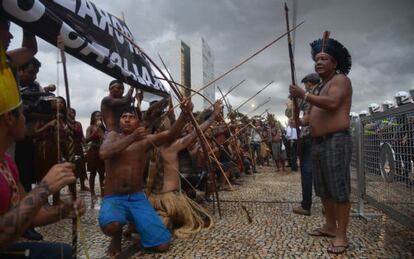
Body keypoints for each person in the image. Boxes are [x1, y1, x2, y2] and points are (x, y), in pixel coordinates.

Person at [0, 23, 86, 257]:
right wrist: (45, 188)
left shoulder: (6, 164)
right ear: (9, 117)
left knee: (62, 252)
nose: (27, 118)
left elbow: (26, 213)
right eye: (23, 112)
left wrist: (63, 210)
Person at [98, 98, 193, 257]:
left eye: (131, 117)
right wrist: (132, 137)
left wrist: (185, 114)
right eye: (124, 117)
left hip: (136, 198)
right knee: (112, 225)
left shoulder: (145, 141)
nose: (127, 119)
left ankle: (136, 222)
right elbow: (104, 153)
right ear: (120, 121)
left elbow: (171, 133)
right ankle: (117, 236)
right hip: (113, 197)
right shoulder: (113, 136)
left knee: (163, 245)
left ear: (138, 122)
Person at [290, 34, 352, 254]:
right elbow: (310, 117)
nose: (318, 62)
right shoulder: (318, 87)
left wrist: (304, 95)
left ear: (334, 62)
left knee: (338, 189)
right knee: (324, 189)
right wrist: (298, 114)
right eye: (316, 59)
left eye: (324, 58)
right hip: (317, 142)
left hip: (336, 140)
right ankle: (329, 225)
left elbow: (333, 103)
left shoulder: (340, 80)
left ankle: (342, 235)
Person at [148, 101, 222, 238]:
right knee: (201, 219)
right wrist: (214, 115)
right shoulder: (171, 146)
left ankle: (164, 218)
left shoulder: (150, 144)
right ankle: (166, 220)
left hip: (156, 198)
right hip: (169, 198)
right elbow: (197, 132)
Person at [292, 73, 320, 216]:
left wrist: (294, 99)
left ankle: (306, 205)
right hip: (316, 137)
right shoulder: (320, 92)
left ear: (309, 84)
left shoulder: (313, 94)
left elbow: (298, 112)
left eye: (306, 85)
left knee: (308, 172)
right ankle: (327, 206)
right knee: (319, 172)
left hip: (310, 137)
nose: (305, 87)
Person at [85, 111, 106, 198]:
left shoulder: (104, 128)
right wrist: (94, 133)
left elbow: (106, 139)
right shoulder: (90, 127)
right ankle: (92, 193)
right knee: (93, 173)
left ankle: (103, 192)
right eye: (97, 116)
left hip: (102, 151)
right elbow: (86, 140)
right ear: (93, 118)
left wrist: (102, 132)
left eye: (101, 116)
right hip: (93, 151)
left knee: (102, 173)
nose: (99, 117)